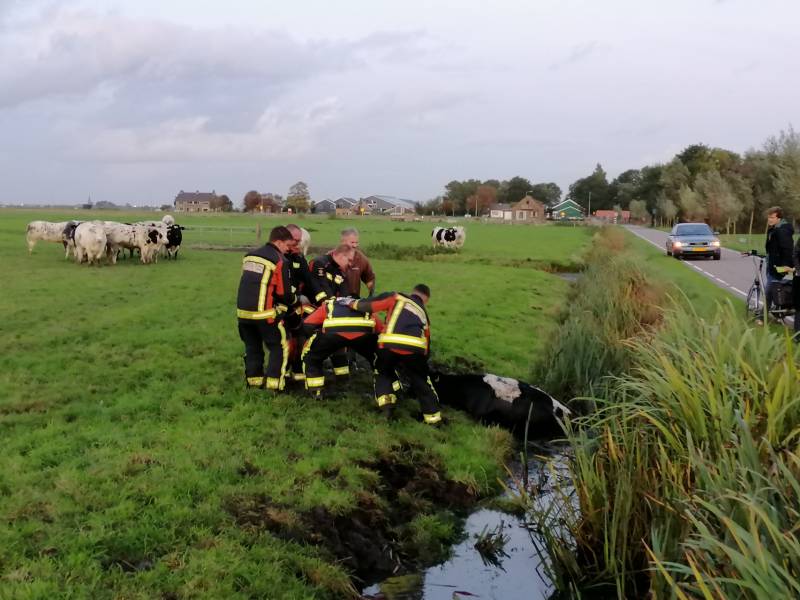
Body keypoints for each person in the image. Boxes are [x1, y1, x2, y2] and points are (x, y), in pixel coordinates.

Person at [348, 284, 443, 426]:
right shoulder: (423, 313)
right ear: (426, 299)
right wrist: (422, 363)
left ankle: (387, 408)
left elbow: (372, 305)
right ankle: (433, 419)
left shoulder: (398, 297)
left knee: (383, 372)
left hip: (388, 345)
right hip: (415, 348)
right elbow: (427, 341)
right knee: (421, 381)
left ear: (413, 292)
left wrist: (351, 303)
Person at [236, 226, 298, 391]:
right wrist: (295, 299)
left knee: (252, 347)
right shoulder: (280, 261)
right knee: (279, 345)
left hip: (242, 314)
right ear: (278, 242)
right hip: (265, 315)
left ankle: (253, 382)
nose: (288, 250)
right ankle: (274, 385)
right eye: (287, 245)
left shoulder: (249, 257)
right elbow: (284, 293)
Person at [301, 297, 384, 399]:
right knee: (380, 361)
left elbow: (307, 324)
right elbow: (380, 330)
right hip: (363, 335)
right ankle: (388, 392)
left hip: (332, 336)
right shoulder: (365, 307)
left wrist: (318, 337)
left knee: (311, 358)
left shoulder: (328, 306)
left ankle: (316, 391)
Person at [765, 206, 795, 313]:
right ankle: (778, 314)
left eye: (772, 217)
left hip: (778, 267)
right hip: (774, 265)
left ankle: (763, 318)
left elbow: (787, 250)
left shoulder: (781, 231)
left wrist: (783, 267)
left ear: (779, 218)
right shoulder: (774, 229)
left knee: (768, 292)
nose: (769, 219)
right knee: (777, 291)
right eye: (769, 217)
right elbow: (773, 249)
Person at [339, 228, 375, 298]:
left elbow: (369, 279)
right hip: (334, 302)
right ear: (343, 242)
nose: (355, 245)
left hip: (353, 302)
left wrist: (371, 296)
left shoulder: (361, 259)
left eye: (356, 242)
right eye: (352, 242)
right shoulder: (330, 258)